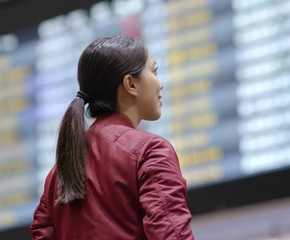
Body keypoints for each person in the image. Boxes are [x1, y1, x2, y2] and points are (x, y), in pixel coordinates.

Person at [30, 34, 194, 240]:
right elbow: (171, 234)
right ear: (130, 84)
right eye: (154, 71)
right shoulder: (150, 151)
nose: (160, 84)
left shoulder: (59, 173)